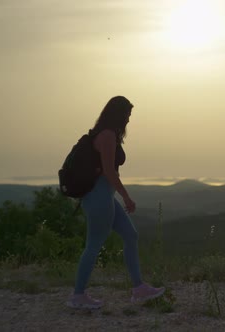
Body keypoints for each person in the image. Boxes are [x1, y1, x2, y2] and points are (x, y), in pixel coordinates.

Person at [66, 96, 165, 309]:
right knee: (93, 245)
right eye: (127, 115)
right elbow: (110, 172)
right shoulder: (108, 136)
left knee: (131, 235)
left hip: (103, 197)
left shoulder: (104, 134)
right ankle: (78, 296)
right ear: (118, 114)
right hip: (99, 198)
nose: (128, 120)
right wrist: (126, 196)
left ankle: (139, 288)